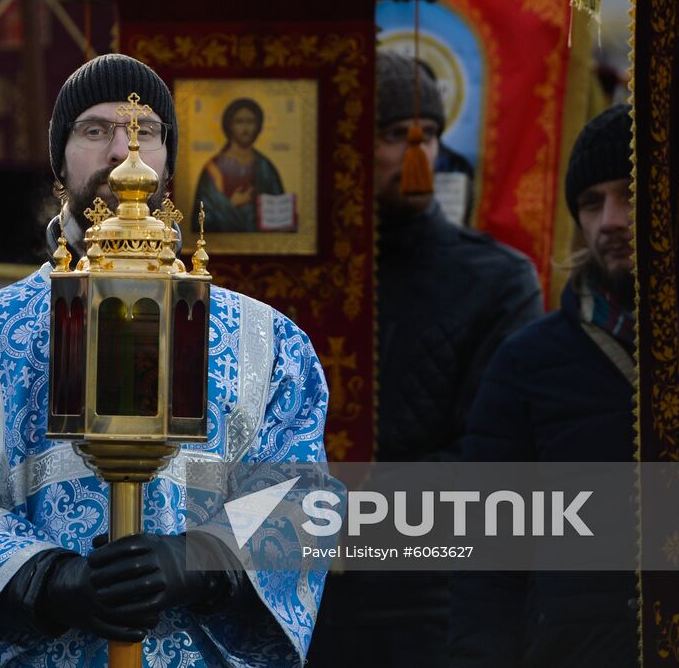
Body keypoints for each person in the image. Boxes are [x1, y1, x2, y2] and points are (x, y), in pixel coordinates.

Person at [0, 53, 328, 667]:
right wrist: (45, 580)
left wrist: (201, 561)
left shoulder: (267, 342)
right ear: (58, 164)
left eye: (144, 133)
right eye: (94, 131)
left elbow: (301, 498)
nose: (121, 152)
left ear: (168, 162)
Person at [308, 52, 541, 668]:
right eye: (393, 135)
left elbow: (489, 459)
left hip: (430, 598)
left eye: (429, 135)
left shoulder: (498, 281)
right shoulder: (303, 278)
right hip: (301, 596)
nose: (419, 155)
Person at [448, 103, 639, 668]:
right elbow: (487, 560)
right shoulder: (528, 364)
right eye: (591, 202)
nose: (611, 221)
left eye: (630, 194)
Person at [194, 98, 287, 232]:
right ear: (229, 126)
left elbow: (279, 215)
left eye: (250, 122)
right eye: (239, 121)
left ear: (258, 127)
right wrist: (231, 205)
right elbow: (201, 218)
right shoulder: (212, 169)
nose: (245, 128)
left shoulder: (265, 168)